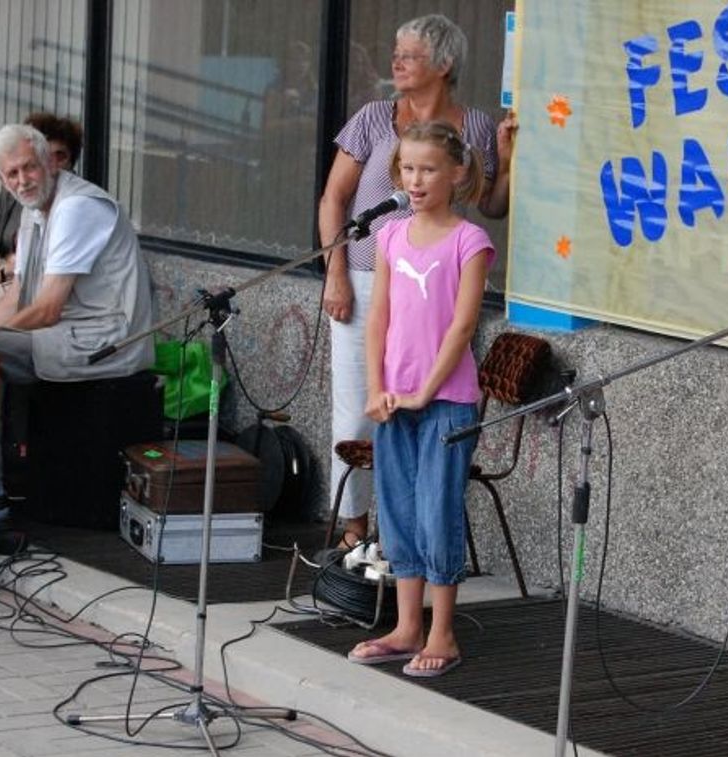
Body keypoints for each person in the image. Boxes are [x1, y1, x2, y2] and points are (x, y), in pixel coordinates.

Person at [318, 13, 517, 549]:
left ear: (445, 65)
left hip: (439, 288)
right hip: (364, 277)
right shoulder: (372, 118)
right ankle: (354, 525)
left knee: (428, 407)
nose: (397, 63)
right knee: (359, 401)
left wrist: (506, 157)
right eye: (396, 54)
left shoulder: (473, 126)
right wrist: (335, 271)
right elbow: (334, 198)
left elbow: (490, 205)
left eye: (410, 55)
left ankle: (404, 535)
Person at [0, 123, 154, 515]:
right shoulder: (33, 211)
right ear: (1, 181)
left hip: (104, 344)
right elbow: (19, 296)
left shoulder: (76, 207)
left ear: (49, 163)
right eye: (13, 174)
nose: (23, 180)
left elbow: (47, 307)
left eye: (29, 168)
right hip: (63, 334)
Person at [346, 120, 493, 677]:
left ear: (456, 173)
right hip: (394, 400)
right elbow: (378, 314)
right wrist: (377, 388)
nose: (415, 179)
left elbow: (461, 327)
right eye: (407, 168)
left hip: (445, 400)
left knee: (437, 511)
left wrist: (423, 392)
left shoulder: (469, 241)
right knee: (400, 511)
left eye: (428, 169)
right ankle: (406, 626)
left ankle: (442, 632)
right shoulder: (388, 234)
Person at [0, 112, 84, 291]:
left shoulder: (74, 205)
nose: (54, 164)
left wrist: (3, 272)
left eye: (61, 156)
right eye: (46, 157)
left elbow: (45, 275)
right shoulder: (14, 194)